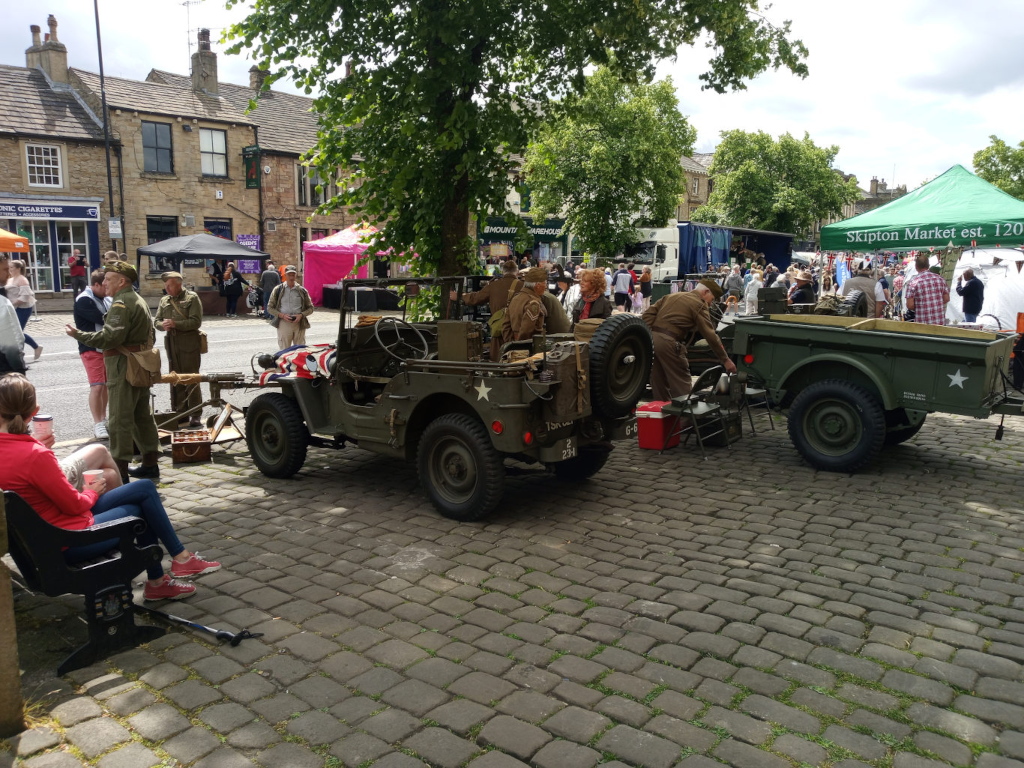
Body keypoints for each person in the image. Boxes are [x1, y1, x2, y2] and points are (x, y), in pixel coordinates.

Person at [0, 374, 219, 601]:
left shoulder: (23, 451)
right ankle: (167, 573)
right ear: (35, 411)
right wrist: (92, 491)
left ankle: (176, 564)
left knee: (143, 488)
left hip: (45, 540)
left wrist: (40, 449)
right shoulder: (35, 455)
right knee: (140, 510)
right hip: (70, 541)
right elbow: (74, 505)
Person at [65, 261, 162, 483]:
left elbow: (110, 337)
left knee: (120, 420)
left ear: (122, 281)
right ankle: (150, 464)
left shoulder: (121, 303)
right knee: (142, 417)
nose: (104, 282)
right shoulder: (137, 299)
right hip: (138, 363)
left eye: (108, 279)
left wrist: (79, 334)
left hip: (122, 366)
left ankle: (121, 473)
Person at [642, 280, 736, 401]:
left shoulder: (671, 296)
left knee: (658, 382)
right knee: (682, 384)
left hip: (652, 341)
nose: (710, 303)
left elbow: (647, 316)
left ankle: (664, 416)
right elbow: (710, 334)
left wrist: (653, 336)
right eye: (712, 299)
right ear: (706, 291)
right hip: (670, 342)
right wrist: (725, 359)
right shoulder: (699, 303)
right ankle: (685, 418)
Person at [155, 271, 204, 428]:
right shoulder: (165, 300)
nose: (167, 288)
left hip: (188, 343)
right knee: (175, 378)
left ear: (178, 284)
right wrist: (162, 325)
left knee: (191, 378)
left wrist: (177, 324)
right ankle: (180, 411)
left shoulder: (191, 298)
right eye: (165, 285)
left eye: (169, 285)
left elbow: (196, 322)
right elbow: (156, 321)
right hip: (171, 343)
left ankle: (195, 413)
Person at [454, 260, 524, 359]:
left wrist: (460, 296)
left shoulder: (494, 285)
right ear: (517, 271)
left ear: (503, 271)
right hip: (518, 330)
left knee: (498, 357)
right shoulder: (523, 286)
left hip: (499, 328)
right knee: (519, 358)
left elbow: (476, 298)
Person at [73, 269, 112, 439]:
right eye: (104, 286)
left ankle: (103, 419)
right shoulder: (84, 300)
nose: (107, 289)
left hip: (105, 348)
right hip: (91, 349)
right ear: (96, 285)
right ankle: (98, 423)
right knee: (97, 386)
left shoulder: (105, 298)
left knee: (105, 386)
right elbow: (103, 318)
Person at [268, 265, 315, 349]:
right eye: (289, 275)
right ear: (285, 275)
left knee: (300, 351)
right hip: (284, 323)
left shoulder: (302, 290)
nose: (291, 277)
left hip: (299, 324)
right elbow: (270, 308)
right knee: (284, 351)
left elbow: (311, 308)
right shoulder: (278, 289)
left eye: (293, 275)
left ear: (296, 275)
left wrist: (301, 315)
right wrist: (282, 315)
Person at [6, 260, 42, 361]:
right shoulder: (11, 279)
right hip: (14, 308)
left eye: (12, 267)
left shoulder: (22, 280)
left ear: (18, 269)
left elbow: (25, 297)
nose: (10, 269)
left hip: (23, 309)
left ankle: (32, 348)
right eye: (9, 267)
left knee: (17, 332)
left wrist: (12, 303)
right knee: (13, 331)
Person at [502, 266, 548, 344]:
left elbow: (505, 326)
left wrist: (510, 343)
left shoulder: (515, 298)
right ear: (538, 285)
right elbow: (526, 330)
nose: (546, 287)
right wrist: (520, 346)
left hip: (513, 344)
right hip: (529, 347)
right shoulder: (533, 303)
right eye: (545, 283)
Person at [904, 254, 949, 325]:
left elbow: (910, 305)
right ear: (929, 266)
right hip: (940, 323)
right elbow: (946, 298)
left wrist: (923, 305)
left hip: (923, 324)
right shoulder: (940, 279)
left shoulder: (913, 282)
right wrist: (935, 304)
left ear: (916, 267)